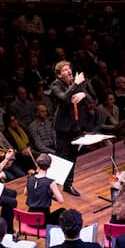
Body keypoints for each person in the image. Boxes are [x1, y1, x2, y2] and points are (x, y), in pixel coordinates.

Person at [51, 61, 95, 197]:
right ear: (59, 75)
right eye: (64, 70)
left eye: (69, 68)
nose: (69, 71)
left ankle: (68, 185)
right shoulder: (55, 85)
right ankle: (51, 187)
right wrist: (76, 84)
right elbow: (64, 98)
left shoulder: (76, 84)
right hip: (62, 128)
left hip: (75, 126)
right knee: (60, 158)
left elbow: (91, 100)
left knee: (72, 157)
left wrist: (83, 95)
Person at [25, 153, 65, 226]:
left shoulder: (30, 178)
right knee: (63, 211)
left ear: (36, 164)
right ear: (49, 167)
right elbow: (61, 200)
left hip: (30, 220)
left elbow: (26, 193)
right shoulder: (50, 182)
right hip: (43, 222)